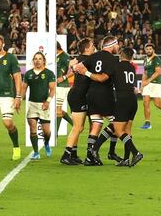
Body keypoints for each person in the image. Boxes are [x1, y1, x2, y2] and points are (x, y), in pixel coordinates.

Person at [71, 36, 121, 166]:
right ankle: (104, 151)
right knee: (117, 122)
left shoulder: (93, 57)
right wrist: (87, 74)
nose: (119, 48)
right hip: (104, 96)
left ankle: (89, 157)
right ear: (112, 45)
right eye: (117, 45)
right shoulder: (113, 59)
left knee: (97, 124)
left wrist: (73, 66)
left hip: (91, 95)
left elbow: (76, 68)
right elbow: (102, 78)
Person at [60, 38, 96, 165]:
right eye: (92, 45)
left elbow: (73, 64)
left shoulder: (80, 59)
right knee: (78, 127)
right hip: (79, 96)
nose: (94, 47)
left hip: (77, 94)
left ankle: (73, 154)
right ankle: (66, 154)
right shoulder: (88, 60)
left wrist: (72, 65)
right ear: (86, 48)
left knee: (79, 127)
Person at [21, 52, 56, 160]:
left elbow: (53, 89)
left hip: (44, 105)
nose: (37, 61)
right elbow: (24, 89)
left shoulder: (49, 73)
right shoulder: (28, 74)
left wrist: (48, 101)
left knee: (47, 132)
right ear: (33, 61)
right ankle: (36, 152)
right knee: (32, 129)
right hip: (32, 104)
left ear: (43, 61)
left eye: (40, 59)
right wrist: (19, 99)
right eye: (35, 59)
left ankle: (46, 144)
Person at [113, 47, 143, 166]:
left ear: (121, 54)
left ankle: (136, 153)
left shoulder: (117, 66)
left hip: (123, 99)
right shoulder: (131, 67)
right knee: (127, 131)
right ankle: (126, 159)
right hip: (133, 100)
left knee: (118, 130)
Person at [55, 42, 74, 136]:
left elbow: (74, 70)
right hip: (55, 85)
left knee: (57, 110)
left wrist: (64, 77)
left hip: (62, 86)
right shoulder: (55, 55)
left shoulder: (64, 56)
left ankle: (55, 134)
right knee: (57, 110)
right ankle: (75, 125)